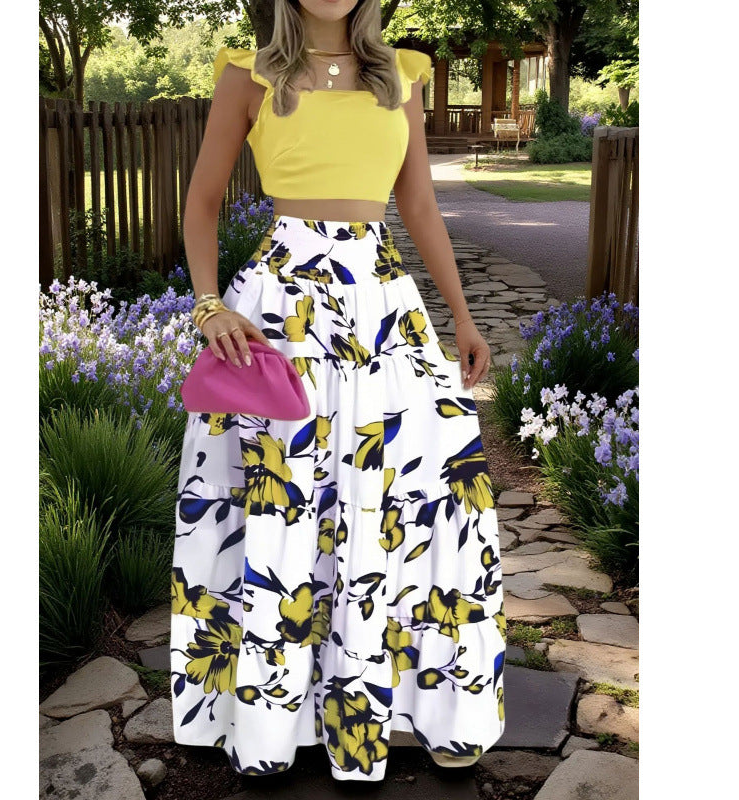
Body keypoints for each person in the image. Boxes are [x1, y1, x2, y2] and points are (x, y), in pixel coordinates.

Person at [170, 0, 506, 783]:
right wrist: (208, 305)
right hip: (281, 313)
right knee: (283, 505)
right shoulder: (248, 75)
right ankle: (273, 718)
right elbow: (203, 200)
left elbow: (418, 206)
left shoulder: (401, 77)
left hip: (382, 311)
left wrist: (461, 316)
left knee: (418, 497)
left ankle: (406, 705)